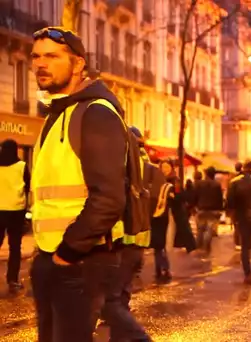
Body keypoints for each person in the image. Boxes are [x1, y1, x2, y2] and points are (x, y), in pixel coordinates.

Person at [29, 27, 127, 342]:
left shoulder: (95, 112)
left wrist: (67, 253)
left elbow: (109, 198)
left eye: (52, 56)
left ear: (78, 63)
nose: (41, 63)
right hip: (53, 256)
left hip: (82, 260)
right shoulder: (58, 113)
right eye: (36, 56)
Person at [100, 126, 151, 342]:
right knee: (121, 294)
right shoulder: (150, 168)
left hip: (125, 238)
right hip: (140, 238)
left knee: (108, 300)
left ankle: (136, 338)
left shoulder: (123, 164)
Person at [0, 139, 29, 294]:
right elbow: (28, 187)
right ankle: (12, 280)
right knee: (15, 248)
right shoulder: (22, 166)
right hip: (16, 212)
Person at [150, 160, 176, 284]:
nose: (165, 170)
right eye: (163, 167)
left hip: (167, 216)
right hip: (155, 215)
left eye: (167, 167)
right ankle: (160, 268)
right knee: (158, 245)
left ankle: (163, 268)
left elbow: (179, 200)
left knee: (162, 244)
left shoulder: (173, 182)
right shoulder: (155, 181)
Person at [193, 166, 224, 255]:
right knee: (209, 229)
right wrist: (220, 209)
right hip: (213, 210)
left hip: (201, 208)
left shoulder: (199, 184)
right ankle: (206, 247)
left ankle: (199, 246)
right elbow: (219, 198)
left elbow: (195, 196)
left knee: (200, 229)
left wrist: (195, 206)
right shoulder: (217, 185)